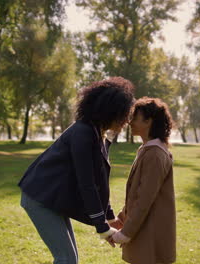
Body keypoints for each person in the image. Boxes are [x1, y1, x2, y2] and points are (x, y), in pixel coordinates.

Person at [18, 77, 134, 264]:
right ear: (111, 111)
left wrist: (110, 218)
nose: (126, 120)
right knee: (67, 259)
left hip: (52, 198)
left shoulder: (96, 133)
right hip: (40, 198)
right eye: (124, 114)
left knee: (70, 259)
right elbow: (87, 184)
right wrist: (102, 227)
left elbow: (99, 181)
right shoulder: (83, 133)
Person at [111, 97, 176, 264]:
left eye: (135, 117)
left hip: (151, 233)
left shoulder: (155, 154)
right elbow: (137, 193)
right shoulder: (148, 150)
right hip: (144, 229)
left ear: (149, 121)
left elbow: (144, 200)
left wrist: (125, 234)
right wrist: (122, 218)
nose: (130, 122)